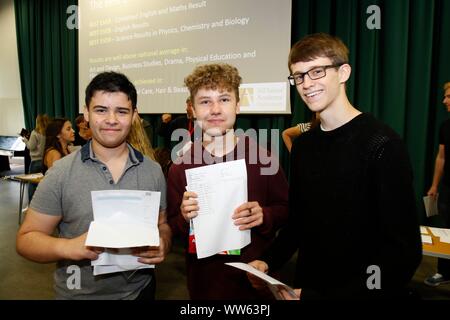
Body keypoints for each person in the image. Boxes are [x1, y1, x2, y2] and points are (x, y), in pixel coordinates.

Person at [249, 33, 422, 299]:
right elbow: (298, 224)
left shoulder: (382, 145)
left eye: (317, 72)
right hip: (306, 284)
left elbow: (403, 255)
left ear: (343, 72)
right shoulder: (303, 148)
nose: (306, 84)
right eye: (298, 76)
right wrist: (268, 260)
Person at [16, 71, 171, 300]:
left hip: (140, 291)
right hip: (79, 294)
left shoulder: (152, 171)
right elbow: (26, 238)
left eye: (121, 111)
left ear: (134, 115)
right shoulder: (61, 172)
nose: (111, 119)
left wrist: (163, 243)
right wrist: (68, 247)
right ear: (86, 114)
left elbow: (162, 224)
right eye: (101, 110)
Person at [167, 63, 289, 299]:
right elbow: (171, 227)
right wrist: (183, 217)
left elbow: (287, 211)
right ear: (192, 109)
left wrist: (266, 215)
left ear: (238, 105)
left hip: (255, 285)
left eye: (224, 99)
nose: (215, 109)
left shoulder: (263, 158)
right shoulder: (180, 167)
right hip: (205, 286)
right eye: (205, 101)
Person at [424, 82, 450, 287]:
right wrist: (434, 185)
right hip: (449, 188)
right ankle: (444, 272)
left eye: (448, 96)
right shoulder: (446, 126)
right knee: (446, 232)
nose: (444, 100)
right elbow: (441, 157)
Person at [22, 114, 49, 200]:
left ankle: (31, 205)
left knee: (32, 184)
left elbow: (31, 146)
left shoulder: (35, 132)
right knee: (42, 184)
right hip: (44, 160)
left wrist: (25, 140)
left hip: (35, 161)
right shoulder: (47, 133)